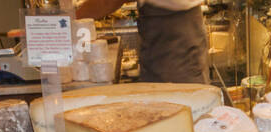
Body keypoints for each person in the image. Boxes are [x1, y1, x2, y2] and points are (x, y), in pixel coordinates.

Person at [75, 0, 208, 84]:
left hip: (175, 37)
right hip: (167, 32)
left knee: (181, 102)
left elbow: (107, 3)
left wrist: (70, 19)